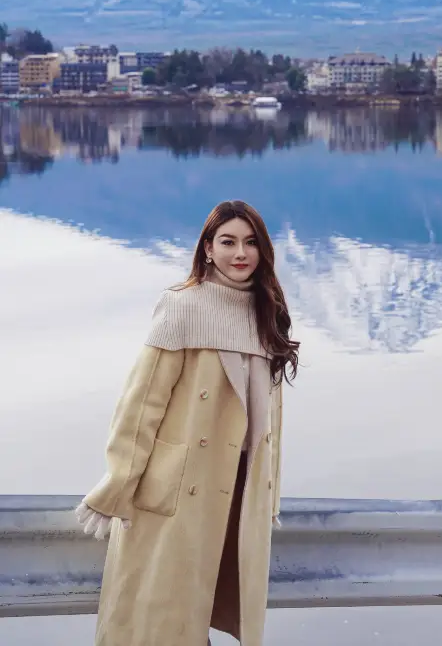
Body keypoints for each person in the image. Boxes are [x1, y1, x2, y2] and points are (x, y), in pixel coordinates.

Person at [76, 200, 299, 646]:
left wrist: (268, 497)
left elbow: (271, 419)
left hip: (238, 488)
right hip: (180, 490)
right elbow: (141, 405)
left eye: (251, 242)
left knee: (209, 609)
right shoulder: (182, 306)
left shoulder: (267, 311)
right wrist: (118, 483)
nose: (241, 253)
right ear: (208, 249)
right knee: (164, 625)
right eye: (228, 242)